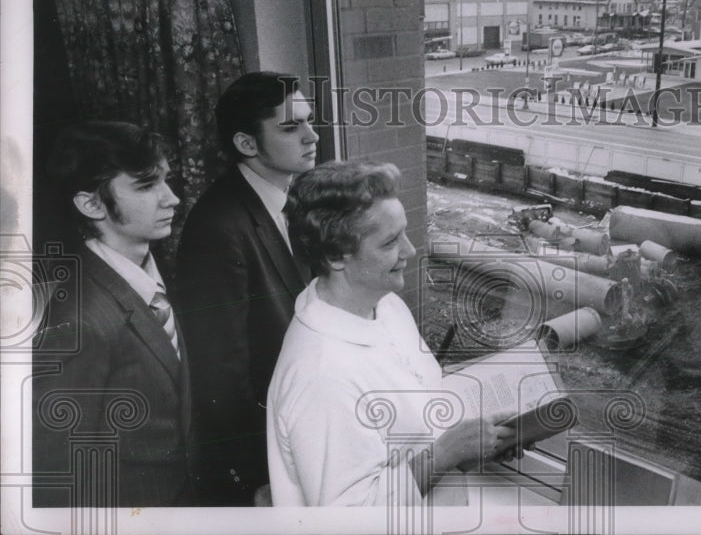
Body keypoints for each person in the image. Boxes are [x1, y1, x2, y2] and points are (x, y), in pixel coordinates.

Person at [266, 160, 515, 506]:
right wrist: (445, 453)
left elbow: (421, 404)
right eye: (389, 243)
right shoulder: (322, 375)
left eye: (405, 233)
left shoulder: (385, 306)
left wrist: (485, 436)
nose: (410, 251)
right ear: (337, 256)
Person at [176, 72, 318, 506]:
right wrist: (261, 475)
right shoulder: (217, 229)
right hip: (267, 463)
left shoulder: (289, 197)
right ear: (246, 144)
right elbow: (221, 377)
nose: (312, 136)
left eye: (309, 121)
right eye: (291, 127)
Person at [33, 121, 192, 507]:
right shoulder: (80, 319)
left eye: (166, 180)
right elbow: (57, 475)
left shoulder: (150, 275)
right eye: (145, 185)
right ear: (90, 204)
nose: (171, 198)